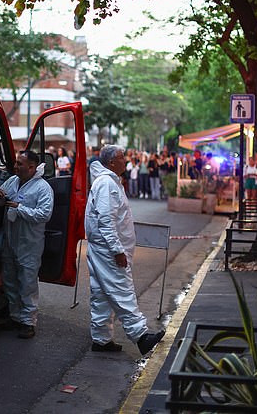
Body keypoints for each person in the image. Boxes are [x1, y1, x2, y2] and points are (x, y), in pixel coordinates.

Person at [85, 145, 165, 355]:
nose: (126, 160)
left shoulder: (109, 182)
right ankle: (141, 336)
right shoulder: (106, 184)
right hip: (108, 251)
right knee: (122, 291)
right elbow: (106, 220)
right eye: (122, 158)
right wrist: (117, 250)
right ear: (111, 163)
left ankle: (101, 339)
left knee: (102, 294)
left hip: (104, 249)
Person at [0, 150, 54, 339]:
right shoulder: (13, 181)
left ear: (32, 167)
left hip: (29, 243)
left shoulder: (43, 188)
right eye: (16, 163)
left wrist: (20, 210)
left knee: (27, 283)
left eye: (20, 163)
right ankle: (15, 316)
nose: (15, 166)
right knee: (10, 279)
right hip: (10, 239)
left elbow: (44, 214)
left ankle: (28, 322)